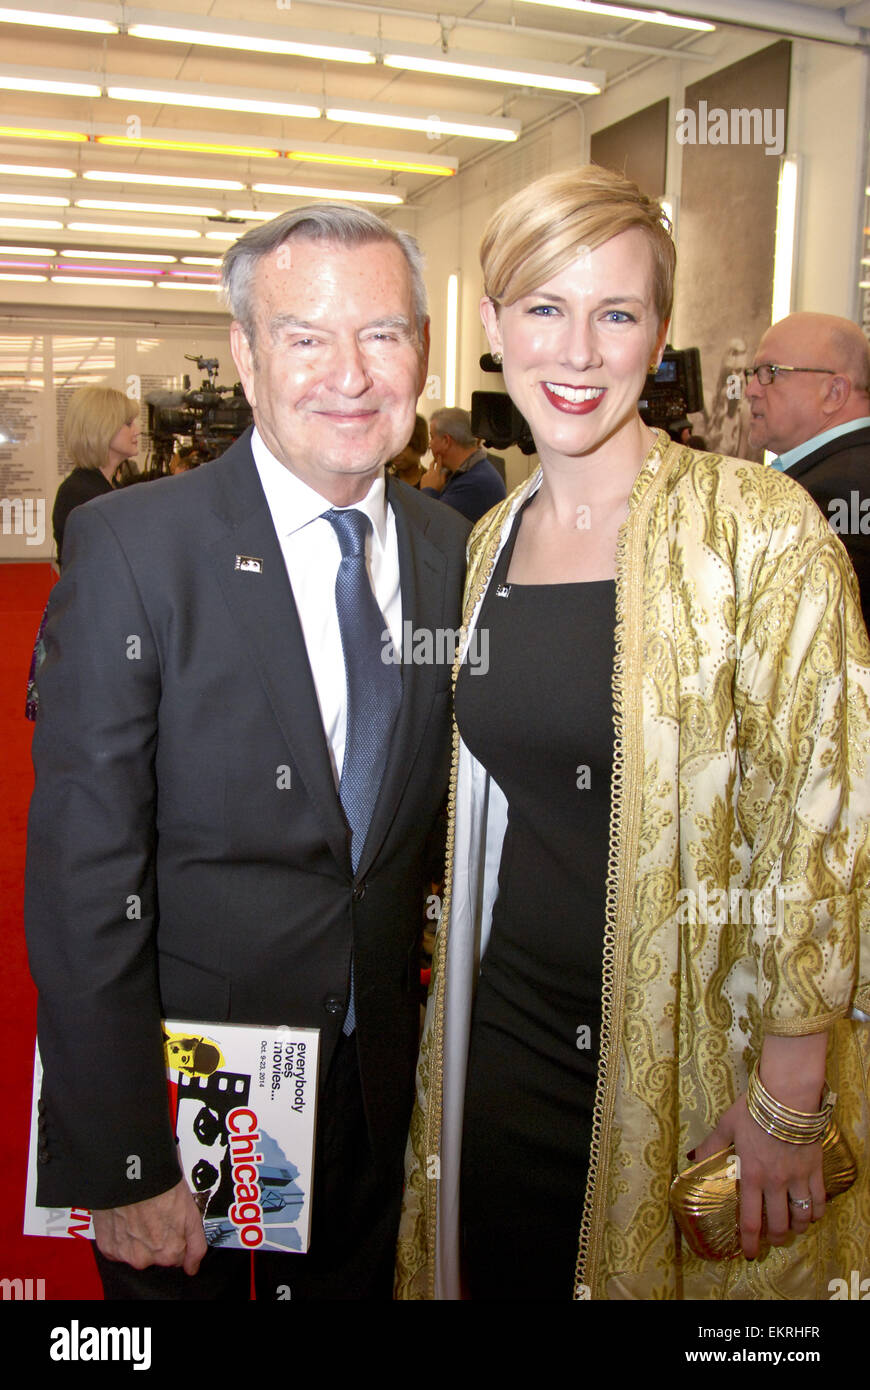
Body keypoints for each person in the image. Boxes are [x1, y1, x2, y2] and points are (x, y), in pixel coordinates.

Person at [396, 166, 870, 1301]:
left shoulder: (760, 527)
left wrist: (789, 1093)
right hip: (501, 1044)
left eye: (615, 313)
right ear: (494, 325)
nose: (577, 350)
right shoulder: (488, 543)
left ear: (658, 336)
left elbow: (829, 814)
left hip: (697, 1054)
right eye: (544, 307)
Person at [26, 203, 469, 1301]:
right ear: (245, 352)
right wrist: (122, 1153)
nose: (350, 374)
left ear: (422, 348)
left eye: (382, 333)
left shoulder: (454, 552)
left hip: (384, 1104)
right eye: (305, 336)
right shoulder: (134, 547)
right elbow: (83, 881)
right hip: (196, 1115)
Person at [745, 311, 870, 624]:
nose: (750, 389)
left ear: (834, 393)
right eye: (755, 373)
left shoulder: (831, 493)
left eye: (771, 372)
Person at [51, 385, 140, 566]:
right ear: (102, 428)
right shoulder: (77, 494)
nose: (137, 430)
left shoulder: (110, 486)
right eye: (128, 423)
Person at [420, 407, 506, 522]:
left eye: (432, 437)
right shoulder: (472, 472)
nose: (430, 445)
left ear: (446, 441)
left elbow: (432, 525)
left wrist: (428, 490)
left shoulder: (474, 483)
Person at [388, 413, 428, 487]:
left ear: (419, 445)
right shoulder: (386, 484)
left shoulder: (431, 483)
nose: (396, 453)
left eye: (403, 446)